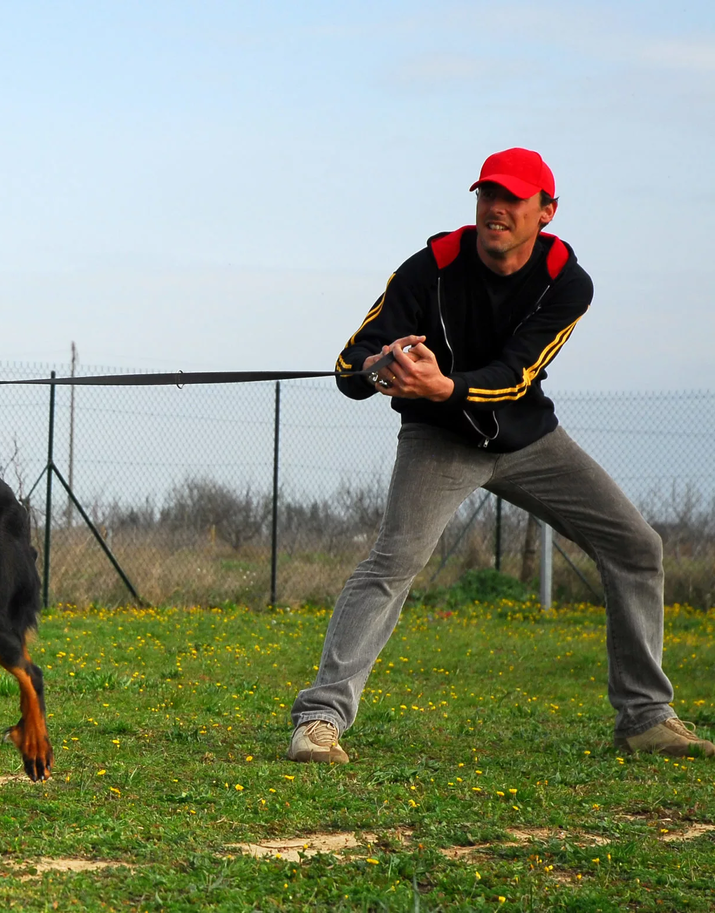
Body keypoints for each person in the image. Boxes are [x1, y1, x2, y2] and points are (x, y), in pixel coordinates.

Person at [288, 147, 714, 763]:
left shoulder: (567, 282)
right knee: (392, 562)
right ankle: (319, 719)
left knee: (637, 546)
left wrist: (443, 385)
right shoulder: (429, 266)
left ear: (547, 211)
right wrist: (381, 368)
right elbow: (348, 367)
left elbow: (515, 376)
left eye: (513, 198)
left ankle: (645, 717)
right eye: (488, 194)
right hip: (439, 440)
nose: (497, 209)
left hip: (526, 437)